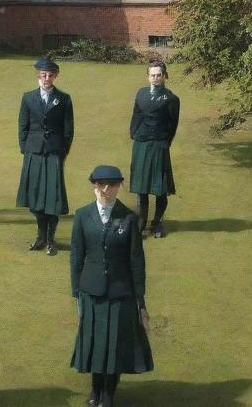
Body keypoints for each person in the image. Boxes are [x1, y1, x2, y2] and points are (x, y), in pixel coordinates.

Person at [70, 165, 153, 407]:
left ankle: (108, 394)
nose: (106, 189)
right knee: (96, 343)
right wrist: (77, 292)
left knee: (114, 346)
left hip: (121, 293)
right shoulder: (82, 215)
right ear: (94, 186)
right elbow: (76, 256)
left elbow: (136, 260)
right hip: (91, 292)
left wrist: (140, 299)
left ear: (118, 187)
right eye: (101, 184)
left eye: (112, 185)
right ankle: (95, 390)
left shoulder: (128, 218)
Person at [17, 56, 74, 255]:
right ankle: (40, 236)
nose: (46, 78)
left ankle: (51, 240)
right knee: (34, 196)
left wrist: (62, 151)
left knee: (53, 197)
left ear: (55, 76)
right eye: (43, 75)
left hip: (54, 152)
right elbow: (22, 127)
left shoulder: (64, 98)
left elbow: (68, 130)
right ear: (38, 75)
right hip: (33, 152)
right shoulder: (28, 97)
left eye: (50, 75)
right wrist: (26, 149)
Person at [129, 59, 180, 238]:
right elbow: (136, 115)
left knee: (160, 188)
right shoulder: (141, 93)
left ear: (164, 76)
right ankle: (141, 223)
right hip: (141, 143)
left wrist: (166, 142)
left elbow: (173, 124)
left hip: (159, 145)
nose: (156, 78)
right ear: (147, 76)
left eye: (159, 75)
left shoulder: (171, 98)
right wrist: (133, 133)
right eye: (152, 75)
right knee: (141, 187)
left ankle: (157, 222)